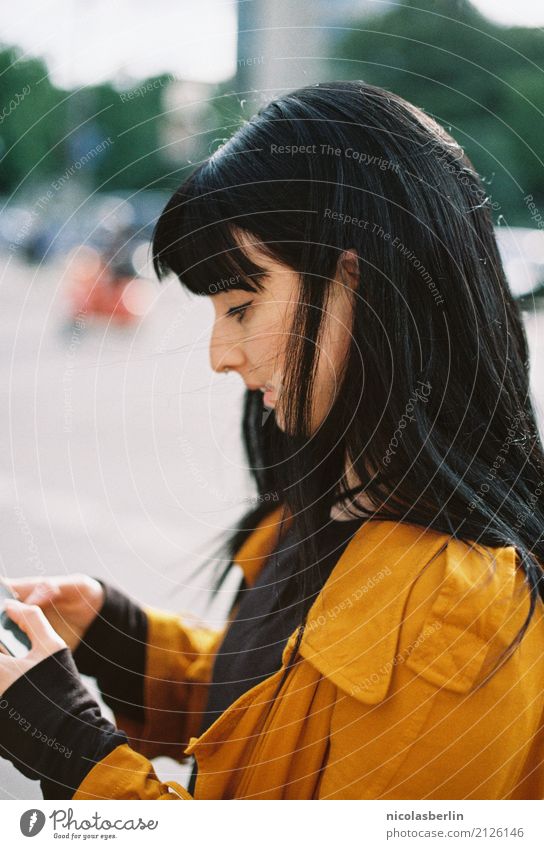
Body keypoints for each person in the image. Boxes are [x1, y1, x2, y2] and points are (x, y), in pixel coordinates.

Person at [1, 80, 544, 800]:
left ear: (359, 283)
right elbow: (284, 727)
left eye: (242, 305)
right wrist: (122, 640)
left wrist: (72, 751)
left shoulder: (462, 612)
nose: (219, 354)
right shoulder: (326, 495)